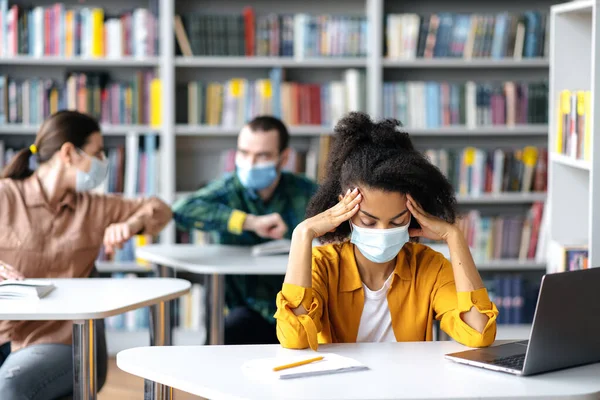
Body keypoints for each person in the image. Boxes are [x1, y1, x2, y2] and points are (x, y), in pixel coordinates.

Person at [275, 112, 498, 350]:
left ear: (412, 215)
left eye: (396, 221)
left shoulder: (429, 267)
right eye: (369, 222)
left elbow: (478, 333)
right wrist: (302, 234)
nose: (382, 232)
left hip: (407, 385)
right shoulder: (322, 265)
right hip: (340, 386)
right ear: (345, 209)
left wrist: (454, 237)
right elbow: (294, 338)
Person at [0, 110, 172, 399]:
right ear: (69, 152)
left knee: (9, 386)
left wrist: (130, 224)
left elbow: (161, 209)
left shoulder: (95, 207)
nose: (103, 163)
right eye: (98, 153)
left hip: (59, 341)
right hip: (6, 332)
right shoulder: (6, 196)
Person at [173, 115, 318, 344]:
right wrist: (248, 222)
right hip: (244, 310)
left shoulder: (305, 191)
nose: (250, 163)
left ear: (284, 157)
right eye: (243, 153)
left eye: (262, 155)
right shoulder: (229, 188)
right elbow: (182, 210)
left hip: (299, 309)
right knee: (224, 338)